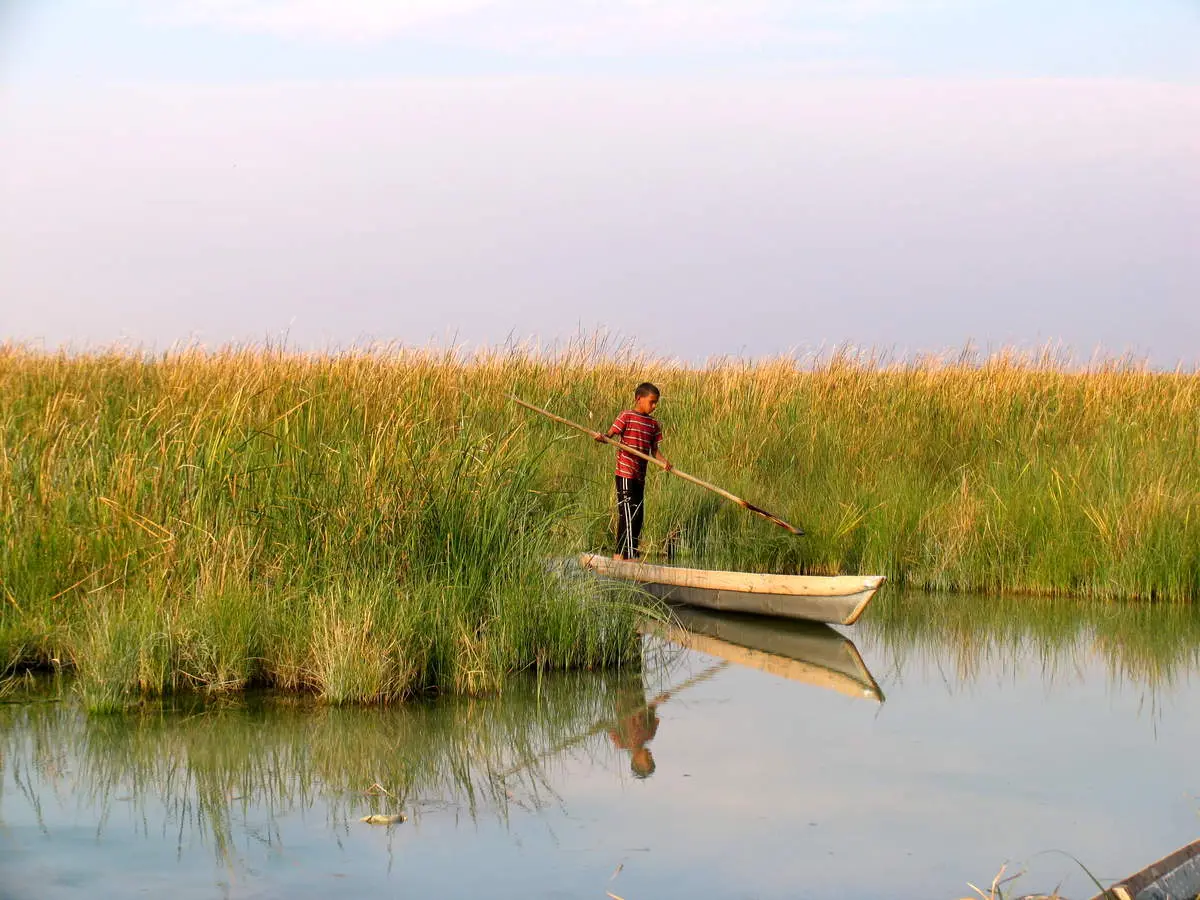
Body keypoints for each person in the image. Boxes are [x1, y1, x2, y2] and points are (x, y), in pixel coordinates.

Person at [595, 382, 672, 560]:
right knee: (627, 515)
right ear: (639, 399)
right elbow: (610, 435)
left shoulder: (653, 424)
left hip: (639, 477)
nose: (654, 406)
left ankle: (631, 554)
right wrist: (602, 438)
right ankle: (621, 556)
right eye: (652, 402)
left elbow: (654, 451)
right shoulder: (626, 416)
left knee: (638, 515)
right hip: (625, 474)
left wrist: (664, 462)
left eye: (656, 403)